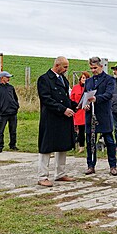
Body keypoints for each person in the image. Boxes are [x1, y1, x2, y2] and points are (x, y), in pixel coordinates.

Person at [36, 56, 76, 187]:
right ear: (57, 65)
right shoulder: (44, 79)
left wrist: (78, 105)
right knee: (46, 147)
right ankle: (42, 176)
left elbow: (65, 98)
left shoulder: (63, 79)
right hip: (50, 118)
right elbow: (46, 99)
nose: (66, 69)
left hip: (63, 118)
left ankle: (60, 173)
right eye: (65, 67)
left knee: (62, 145)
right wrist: (63, 109)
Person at [83, 57, 117, 176]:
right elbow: (85, 96)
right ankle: (90, 165)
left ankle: (113, 165)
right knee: (90, 141)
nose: (93, 70)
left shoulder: (109, 80)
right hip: (90, 115)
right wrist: (85, 104)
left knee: (109, 141)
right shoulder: (88, 81)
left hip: (104, 114)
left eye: (95, 68)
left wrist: (97, 99)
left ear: (101, 67)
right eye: (91, 68)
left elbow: (109, 94)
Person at [0, 71, 19, 153]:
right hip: (2, 113)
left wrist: (16, 106)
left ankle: (13, 145)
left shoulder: (10, 87)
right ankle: (0, 146)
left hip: (12, 112)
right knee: (0, 130)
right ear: (2, 78)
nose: (9, 79)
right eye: (7, 77)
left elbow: (15, 98)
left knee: (13, 130)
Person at [70, 71, 90, 153]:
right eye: (83, 78)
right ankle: (76, 145)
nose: (84, 79)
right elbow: (72, 98)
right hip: (77, 111)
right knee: (77, 130)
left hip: (86, 111)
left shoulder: (89, 87)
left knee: (85, 130)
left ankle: (85, 146)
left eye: (86, 78)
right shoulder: (75, 87)